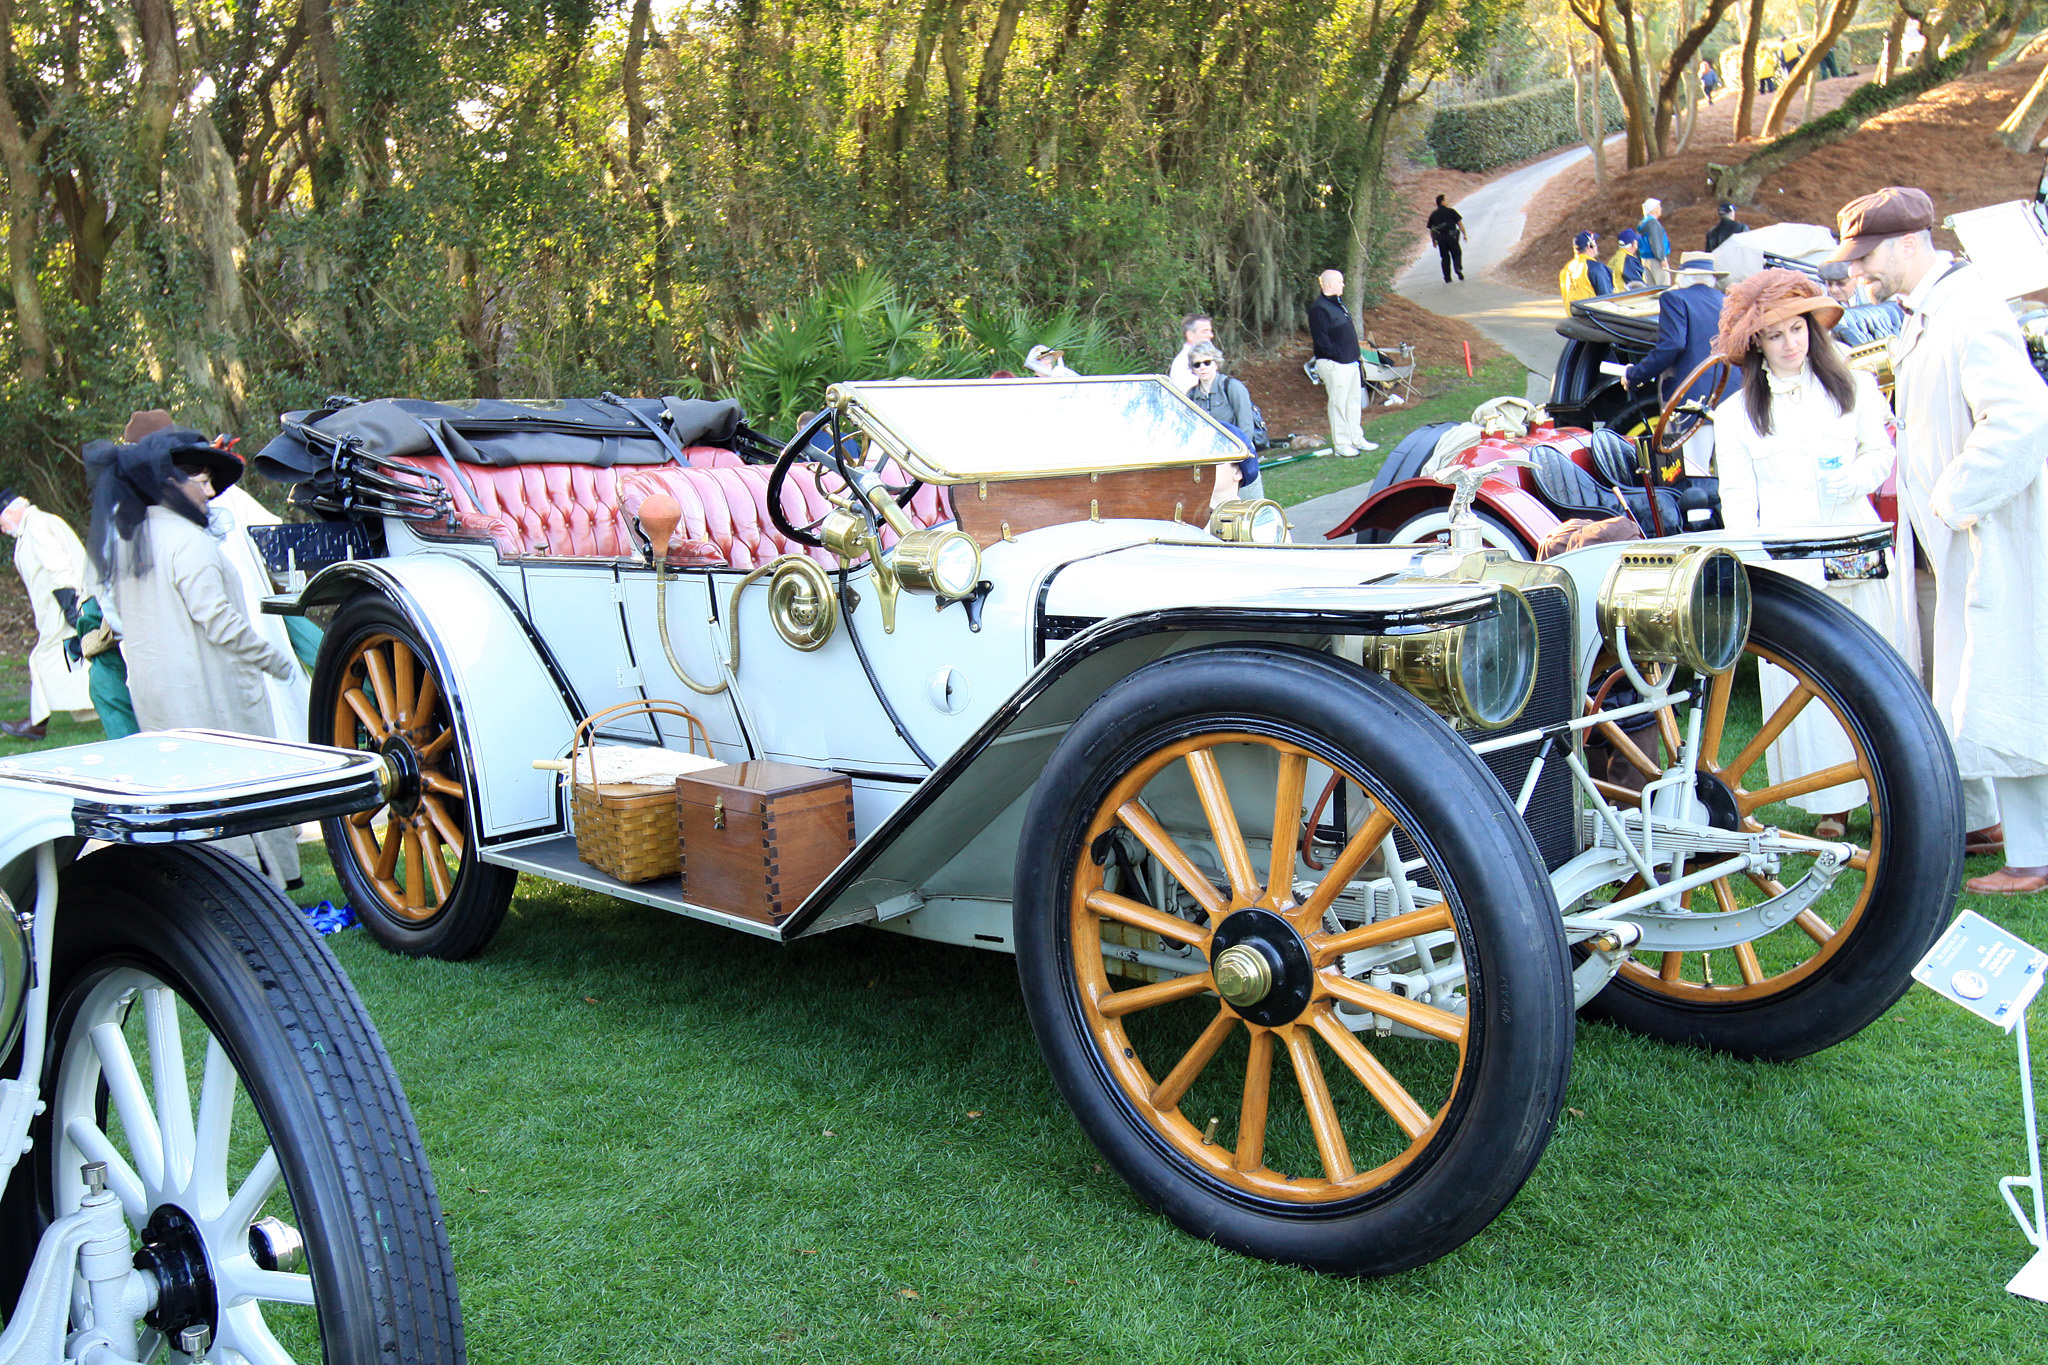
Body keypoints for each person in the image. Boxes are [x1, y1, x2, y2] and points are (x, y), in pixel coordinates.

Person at [1835, 185, 2048, 894]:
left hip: (1987, 534)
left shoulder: (1970, 310)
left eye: (1868, 256)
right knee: (1964, 681)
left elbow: (2020, 418)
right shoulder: (1929, 313)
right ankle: (1987, 822)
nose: (1860, 271)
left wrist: (1954, 498)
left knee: (2007, 681)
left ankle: (2034, 855)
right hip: (1948, 540)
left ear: (1906, 243)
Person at [1712, 269, 1899, 842]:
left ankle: (1892, 791)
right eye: (1775, 335)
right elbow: (1739, 507)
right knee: (1808, 689)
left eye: (1797, 329)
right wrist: (1754, 577)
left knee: (1875, 672)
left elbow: (1880, 455)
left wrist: (1856, 477)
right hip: (1790, 563)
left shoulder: (1856, 387)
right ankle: (1829, 802)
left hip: (1853, 547)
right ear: (1756, 345)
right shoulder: (1736, 415)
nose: (1790, 343)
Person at [83, 423, 303, 889]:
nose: (208, 489)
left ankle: (201, 886)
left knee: (187, 792)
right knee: (234, 789)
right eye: (199, 478)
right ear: (169, 483)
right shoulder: (189, 541)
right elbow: (218, 619)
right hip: (208, 692)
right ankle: (256, 884)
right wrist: (272, 659)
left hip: (159, 694)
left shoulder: (131, 540)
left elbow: (120, 619)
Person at [0, 489, 95, 739]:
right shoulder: (35, 524)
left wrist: (69, 603)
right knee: (79, 660)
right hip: (60, 606)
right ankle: (100, 705)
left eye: (1, 522)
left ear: (10, 511)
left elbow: (58, 563)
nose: (2, 529)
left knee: (42, 660)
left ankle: (37, 723)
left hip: (62, 606)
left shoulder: (37, 526)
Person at [1623, 252, 1732, 469]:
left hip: (1692, 401)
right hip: (1731, 399)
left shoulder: (1675, 298)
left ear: (1681, 277)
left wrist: (1634, 375)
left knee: (1693, 474)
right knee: (1729, 480)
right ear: (1711, 278)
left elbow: (1672, 345)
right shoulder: (1727, 302)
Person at [1184, 341, 1268, 502]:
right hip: (1210, 467)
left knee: (1252, 507)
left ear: (1216, 363)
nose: (1202, 367)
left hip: (1240, 461)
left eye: (1207, 362)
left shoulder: (1232, 387)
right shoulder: (1192, 395)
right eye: (1197, 364)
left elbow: (1246, 427)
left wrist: (1240, 461)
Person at [1308, 270, 1377, 456]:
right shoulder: (1319, 308)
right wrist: (1338, 357)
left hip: (1351, 362)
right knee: (1339, 404)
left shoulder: (1338, 304)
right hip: (1335, 364)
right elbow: (1321, 339)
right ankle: (1342, 444)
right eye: (1340, 282)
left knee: (1353, 402)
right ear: (1330, 285)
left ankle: (1356, 438)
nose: (1343, 285)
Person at [1560, 230, 1610, 308]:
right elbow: (1607, 298)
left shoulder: (1566, 269)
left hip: (1572, 317)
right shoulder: (1595, 267)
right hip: (1591, 317)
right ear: (1590, 246)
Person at [1427, 194, 1467, 283]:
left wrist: (1434, 240)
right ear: (1442, 201)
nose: (1447, 201)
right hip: (1452, 236)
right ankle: (1457, 268)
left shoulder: (1433, 214)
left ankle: (1447, 278)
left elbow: (1431, 230)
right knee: (1456, 253)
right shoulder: (1451, 211)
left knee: (1445, 257)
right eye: (1446, 200)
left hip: (1441, 238)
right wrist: (1464, 234)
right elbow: (1460, 224)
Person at [1168, 313, 1214, 390]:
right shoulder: (1183, 362)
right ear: (1190, 335)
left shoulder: (1203, 357)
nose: (1211, 335)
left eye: (1210, 331)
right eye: (1204, 331)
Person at [1638, 198, 1672, 287]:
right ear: (1653, 210)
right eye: (1659, 207)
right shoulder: (1653, 223)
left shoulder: (1642, 223)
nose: (1661, 209)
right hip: (1655, 260)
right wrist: (1662, 258)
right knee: (1663, 288)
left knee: (1652, 289)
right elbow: (1656, 241)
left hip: (1645, 259)